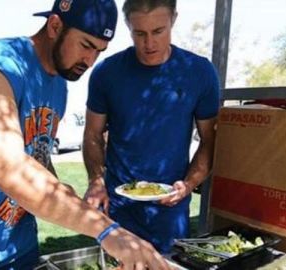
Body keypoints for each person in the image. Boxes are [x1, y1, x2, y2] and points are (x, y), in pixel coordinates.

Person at [0, 0, 171, 269]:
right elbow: (6, 167)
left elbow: (36, 155)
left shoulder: (59, 81)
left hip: (18, 245)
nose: (90, 61)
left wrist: (69, 200)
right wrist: (106, 230)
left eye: (99, 51)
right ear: (55, 25)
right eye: (85, 45)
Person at [83, 0, 221, 254]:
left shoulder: (199, 72)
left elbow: (209, 140)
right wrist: (96, 180)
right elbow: (92, 134)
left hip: (170, 210)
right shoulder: (106, 72)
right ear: (128, 26)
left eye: (158, 31)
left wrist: (189, 184)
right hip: (117, 206)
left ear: (173, 20)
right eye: (139, 33)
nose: (149, 44)